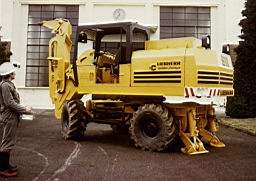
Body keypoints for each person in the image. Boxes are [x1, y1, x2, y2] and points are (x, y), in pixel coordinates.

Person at [0, 62, 33, 177]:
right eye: (13, 71)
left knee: (9, 140)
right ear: (9, 73)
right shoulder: (5, 85)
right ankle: (2, 168)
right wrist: (24, 109)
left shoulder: (8, 84)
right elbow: (10, 103)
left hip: (12, 115)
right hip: (9, 115)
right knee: (7, 141)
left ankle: (6, 165)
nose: (15, 73)